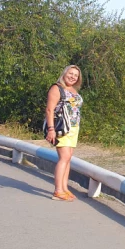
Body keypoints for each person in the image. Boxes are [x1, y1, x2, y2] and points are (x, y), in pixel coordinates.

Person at [44, 65, 84, 201]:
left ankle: (64, 187)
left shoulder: (73, 90)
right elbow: (50, 110)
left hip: (73, 128)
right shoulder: (56, 88)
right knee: (64, 157)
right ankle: (58, 190)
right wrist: (51, 129)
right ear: (64, 73)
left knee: (68, 158)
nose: (73, 77)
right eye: (70, 73)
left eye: (76, 75)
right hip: (61, 127)